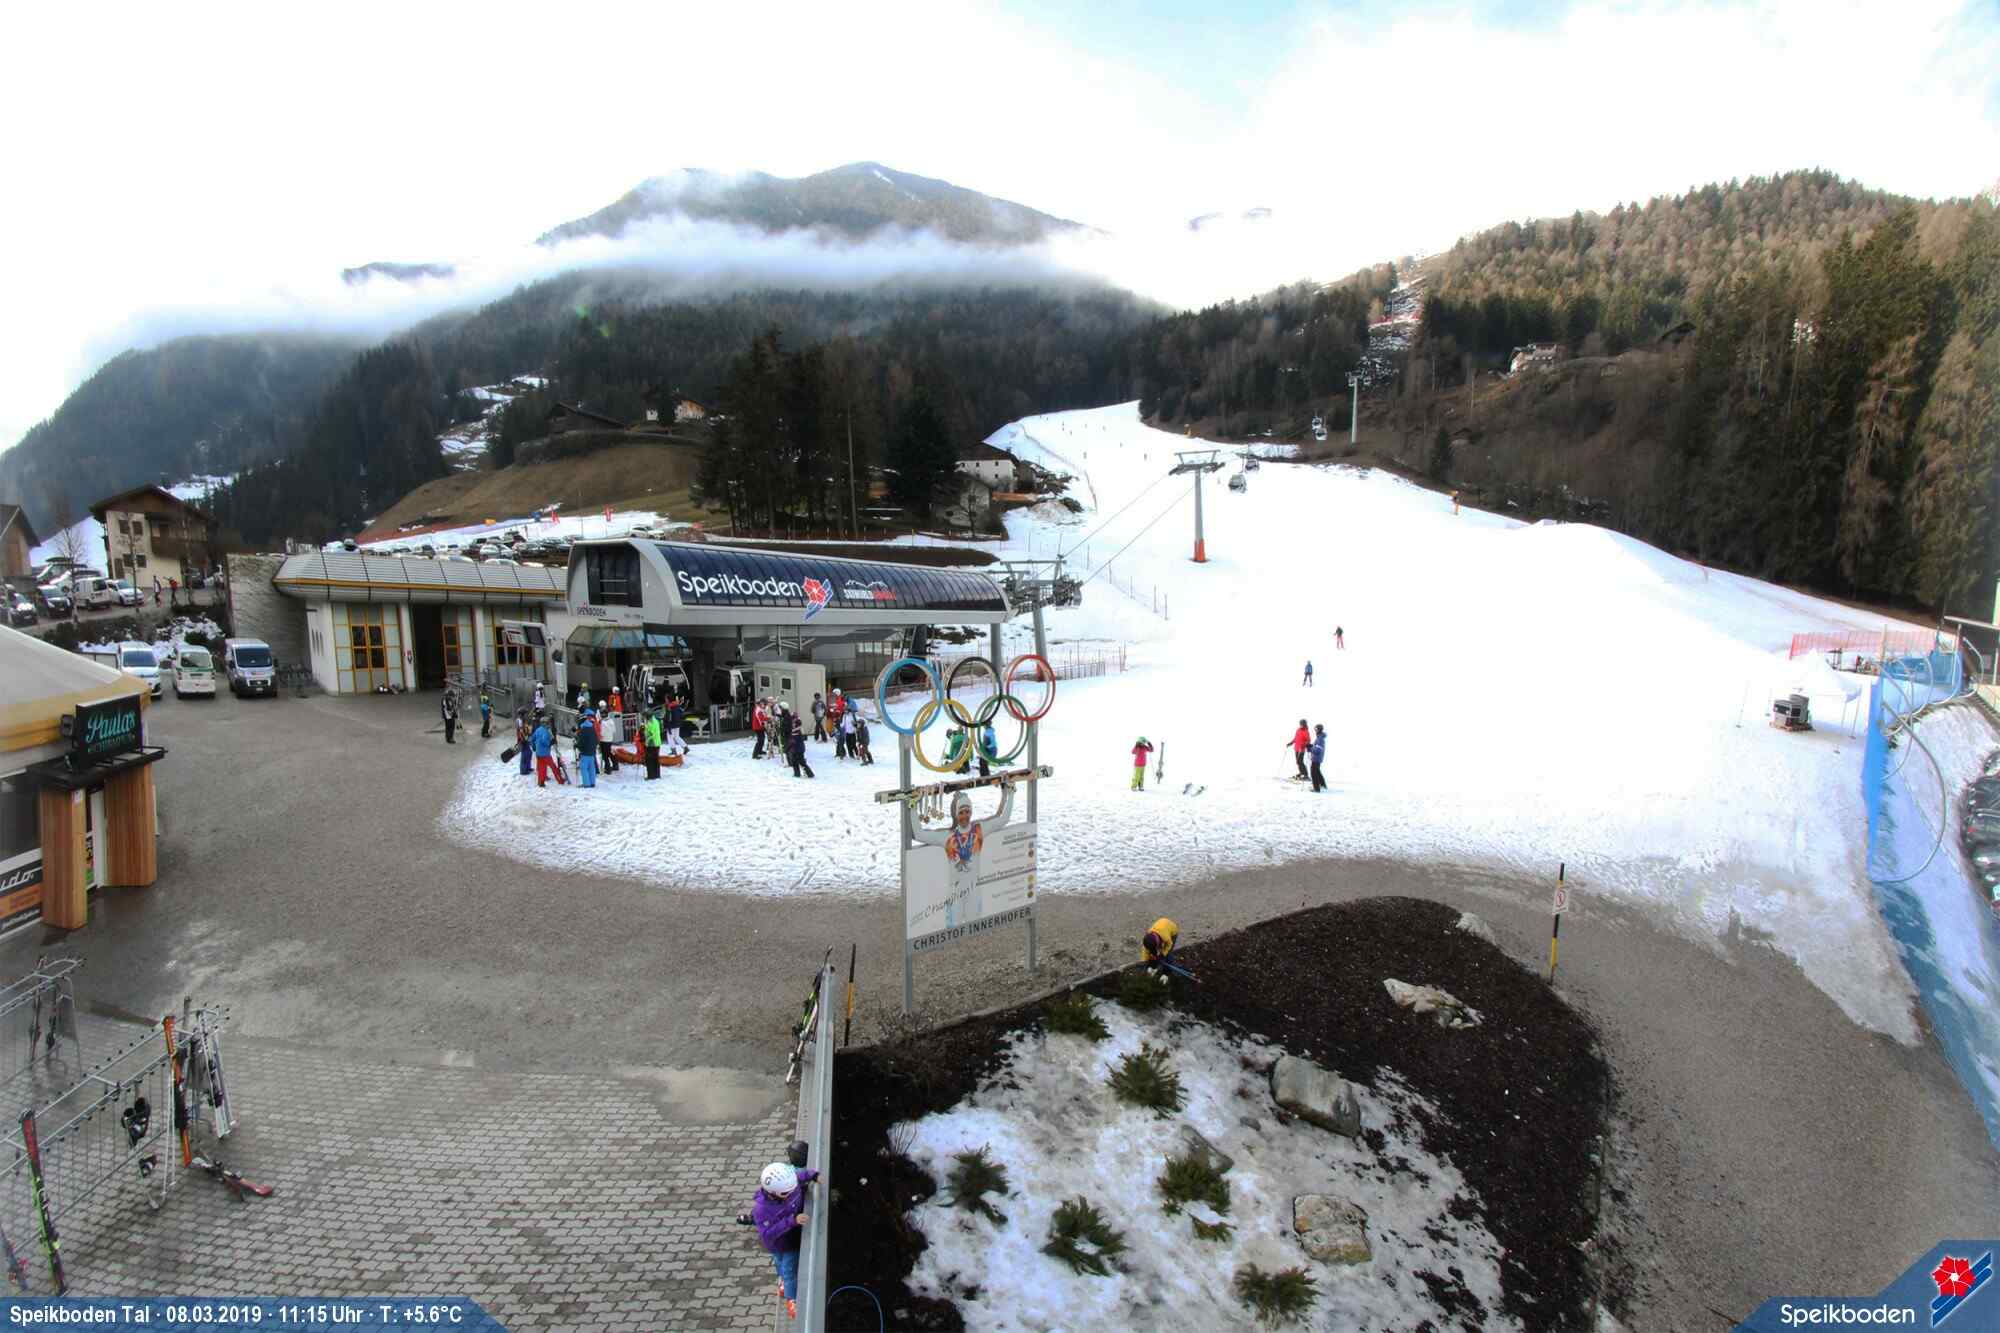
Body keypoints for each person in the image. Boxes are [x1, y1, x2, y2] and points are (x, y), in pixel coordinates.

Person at [745, 1161, 819, 1321]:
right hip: (782, 1243)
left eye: (793, 1188)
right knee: (787, 1269)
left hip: (789, 1240)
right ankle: (792, 1299)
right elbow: (768, 1234)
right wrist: (791, 1221)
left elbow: (799, 1177)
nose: (792, 1193)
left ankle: (785, 1284)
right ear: (773, 1193)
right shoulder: (762, 1210)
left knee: (785, 1268)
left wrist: (813, 1175)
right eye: (787, 1192)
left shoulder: (789, 1184)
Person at [575, 709, 600, 788]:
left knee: (584, 768)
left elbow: (581, 742)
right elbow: (596, 740)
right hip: (592, 752)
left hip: (585, 753)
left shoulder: (583, 730)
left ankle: (586, 783)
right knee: (591, 768)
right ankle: (592, 782)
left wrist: (577, 745)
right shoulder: (592, 728)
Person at [787, 710, 814, 779]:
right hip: (797, 749)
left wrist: (788, 748)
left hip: (798, 749)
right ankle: (797, 774)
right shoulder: (795, 732)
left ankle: (810, 774)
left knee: (801, 762)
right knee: (795, 762)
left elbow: (792, 742)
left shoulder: (797, 733)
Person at [531, 714, 556, 787]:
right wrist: (551, 743)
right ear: (544, 723)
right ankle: (559, 779)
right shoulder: (545, 731)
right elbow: (545, 741)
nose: (549, 724)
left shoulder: (538, 729)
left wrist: (533, 746)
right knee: (552, 766)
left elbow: (532, 738)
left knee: (541, 767)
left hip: (538, 752)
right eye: (548, 723)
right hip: (545, 753)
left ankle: (541, 781)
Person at [598, 701, 620, 773]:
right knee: (609, 752)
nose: (602, 715)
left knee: (605, 755)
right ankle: (615, 764)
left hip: (604, 740)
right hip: (610, 739)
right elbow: (614, 730)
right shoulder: (611, 721)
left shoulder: (602, 722)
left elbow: (602, 732)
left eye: (602, 714)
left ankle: (607, 768)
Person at [641, 709, 663, 780]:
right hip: (657, 743)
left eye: (644, 716)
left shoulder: (650, 723)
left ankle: (651, 776)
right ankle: (657, 775)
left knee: (650, 760)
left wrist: (644, 736)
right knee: (655, 759)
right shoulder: (655, 720)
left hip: (652, 743)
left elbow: (650, 734)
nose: (644, 718)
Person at [1309, 723, 1327, 793]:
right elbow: (1317, 747)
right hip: (1317, 758)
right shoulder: (1320, 737)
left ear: (1319, 730)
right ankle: (1322, 784)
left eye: (1316, 729)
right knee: (1317, 771)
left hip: (1316, 758)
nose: (1315, 731)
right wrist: (1311, 746)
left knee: (1314, 773)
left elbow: (1318, 750)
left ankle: (1316, 788)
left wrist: (1310, 749)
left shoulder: (1320, 739)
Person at [515, 709, 532, 776]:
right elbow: (521, 731)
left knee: (529, 753)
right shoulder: (519, 721)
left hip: (526, 739)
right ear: (522, 714)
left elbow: (526, 729)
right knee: (525, 755)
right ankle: (523, 770)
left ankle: (528, 767)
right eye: (525, 714)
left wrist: (529, 733)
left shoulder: (523, 720)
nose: (526, 715)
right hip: (523, 740)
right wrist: (524, 739)